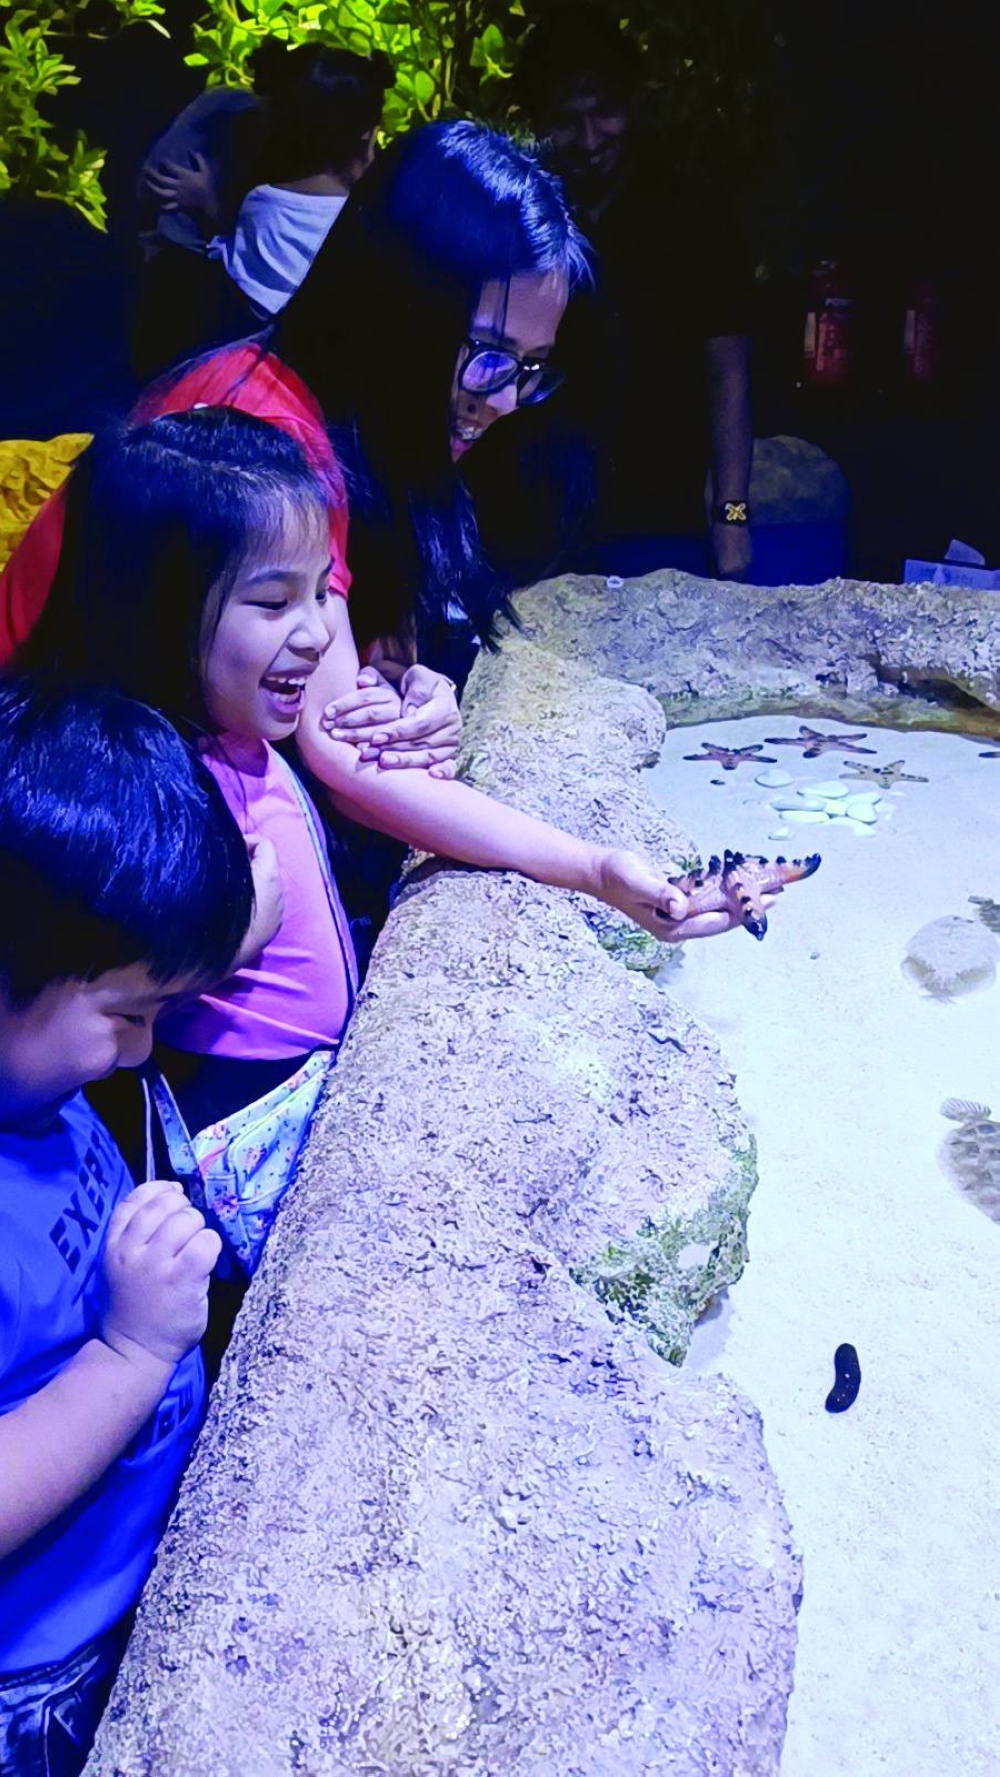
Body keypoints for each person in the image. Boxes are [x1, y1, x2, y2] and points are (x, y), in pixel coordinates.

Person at [0, 676, 253, 1777]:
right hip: (45, 1675)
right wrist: (131, 1350)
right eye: (127, 1015)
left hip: (132, 1568)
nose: (143, 1049)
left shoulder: (32, 1084)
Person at [514, 6, 756, 582]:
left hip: (663, 522)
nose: (589, 139)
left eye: (604, 112)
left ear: (633, 103)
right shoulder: (520, 215)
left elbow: (729, 372)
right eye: (566, 120)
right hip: (537, 520)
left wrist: (733, 516)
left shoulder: (694, 214)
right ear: (538, 120)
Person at [137, 44, 393, 369]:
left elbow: (244, 256)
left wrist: (206, 199)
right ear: (365, 138)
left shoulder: (262, 202)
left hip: (231, 343)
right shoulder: (368, 218)